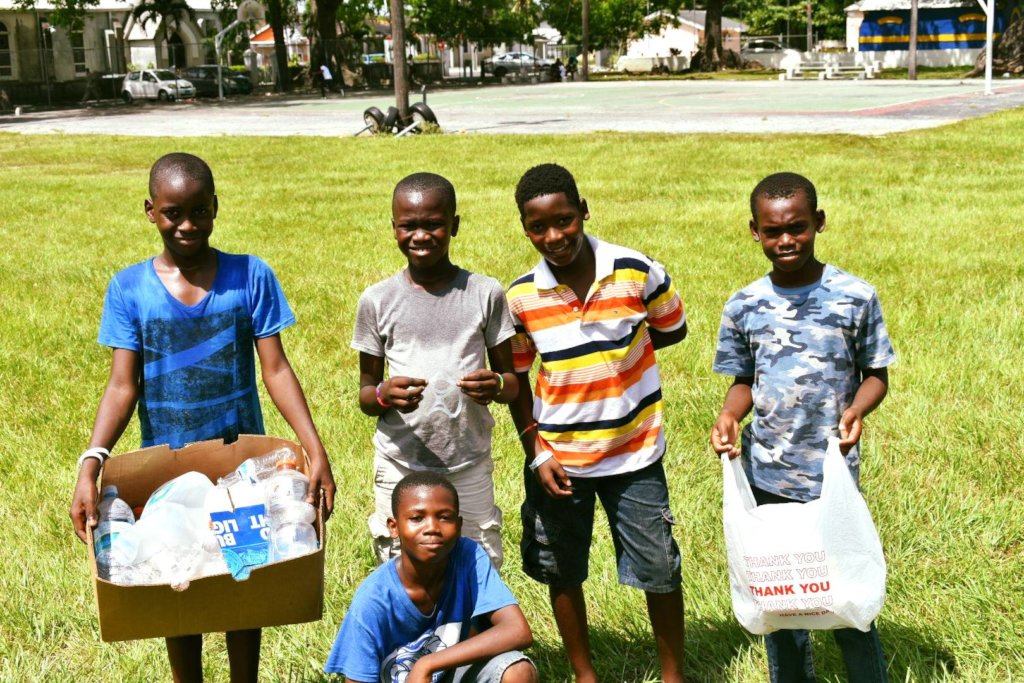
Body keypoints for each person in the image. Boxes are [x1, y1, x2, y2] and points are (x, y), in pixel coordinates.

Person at [69, 152, 337, 683]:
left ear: (215, 208)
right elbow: (124, 385)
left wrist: (315, 449)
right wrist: (91, 462)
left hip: (241, 468)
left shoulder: (249, 275)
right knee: (180, 579)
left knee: (244, 579)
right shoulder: (130, 289)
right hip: (167, 470)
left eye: (198, 211)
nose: (187, 225)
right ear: (150, 211)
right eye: (173, 213)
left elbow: (276, 369)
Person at [710, 172, 896, 683]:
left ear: (818, 222)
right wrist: (730, 415)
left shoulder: (855, 295)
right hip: (767, 473)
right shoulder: (744, 304)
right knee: (783, 598)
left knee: (845, 592)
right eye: (773, 231)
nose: (786, 240)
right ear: (754, 231)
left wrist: (857, 409)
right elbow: (743, 379)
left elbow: (876, 374)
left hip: (833, 474)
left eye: (797, 228)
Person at [506, 163, 688, 683]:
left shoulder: (635, 269)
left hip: (636, 453)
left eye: (564, 220)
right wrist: (536, 451)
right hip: (559, 460)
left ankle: (672, 674)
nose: (554, 236)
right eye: (538, 227)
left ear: (583, 211)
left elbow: (671, 329)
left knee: (659, 566)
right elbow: (517, 378)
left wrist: (619, 366)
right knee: (562, 568)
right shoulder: (520, 297)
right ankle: (584, 673)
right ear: (525, 228)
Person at [353, 172, 518, 569]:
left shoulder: (484, 293)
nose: (421, 236)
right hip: (401, 464)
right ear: (393, 228)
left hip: (468, 461)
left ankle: (473, 632)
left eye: (433, 224)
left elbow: (512, 382)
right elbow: (365, 394)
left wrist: (494, 384)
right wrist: (383, 395)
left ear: (454, 226)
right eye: (408, 225)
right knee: (402, 565)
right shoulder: (378, 300)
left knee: (478, 563)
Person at [325, 472, 537, 682]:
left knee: (518, 671)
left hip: (450, 672)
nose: (432, 528)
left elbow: (517, 630)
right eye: (417, 518)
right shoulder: (373, 600)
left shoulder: (468, 557)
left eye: (444, 517)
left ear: (459, 524)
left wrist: (428, 663)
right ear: (394, 527)